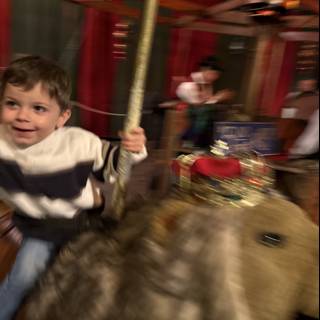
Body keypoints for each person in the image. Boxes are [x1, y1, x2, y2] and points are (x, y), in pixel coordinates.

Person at [0, 55, 147, 320]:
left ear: (62, 117)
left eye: (39, 108)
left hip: (84, 216)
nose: (23, 116)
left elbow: (114, 167)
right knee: (23, 276)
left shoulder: (79, 144)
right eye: (12, 104)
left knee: (118, 264)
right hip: (41, 226)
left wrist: (132, 149)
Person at [176, 56, 234, 149]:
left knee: (219, 112)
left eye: (217, 75)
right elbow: (197, 104)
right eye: (214, 74)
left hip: (199, 115)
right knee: (205, 112)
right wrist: (217, 98)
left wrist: (216, 99)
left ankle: (212, 144)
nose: (215, 77)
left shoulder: (206, 83)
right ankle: (192, 142)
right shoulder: (189, 84)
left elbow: (207, 101)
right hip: (188, 113)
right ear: (204, 69)